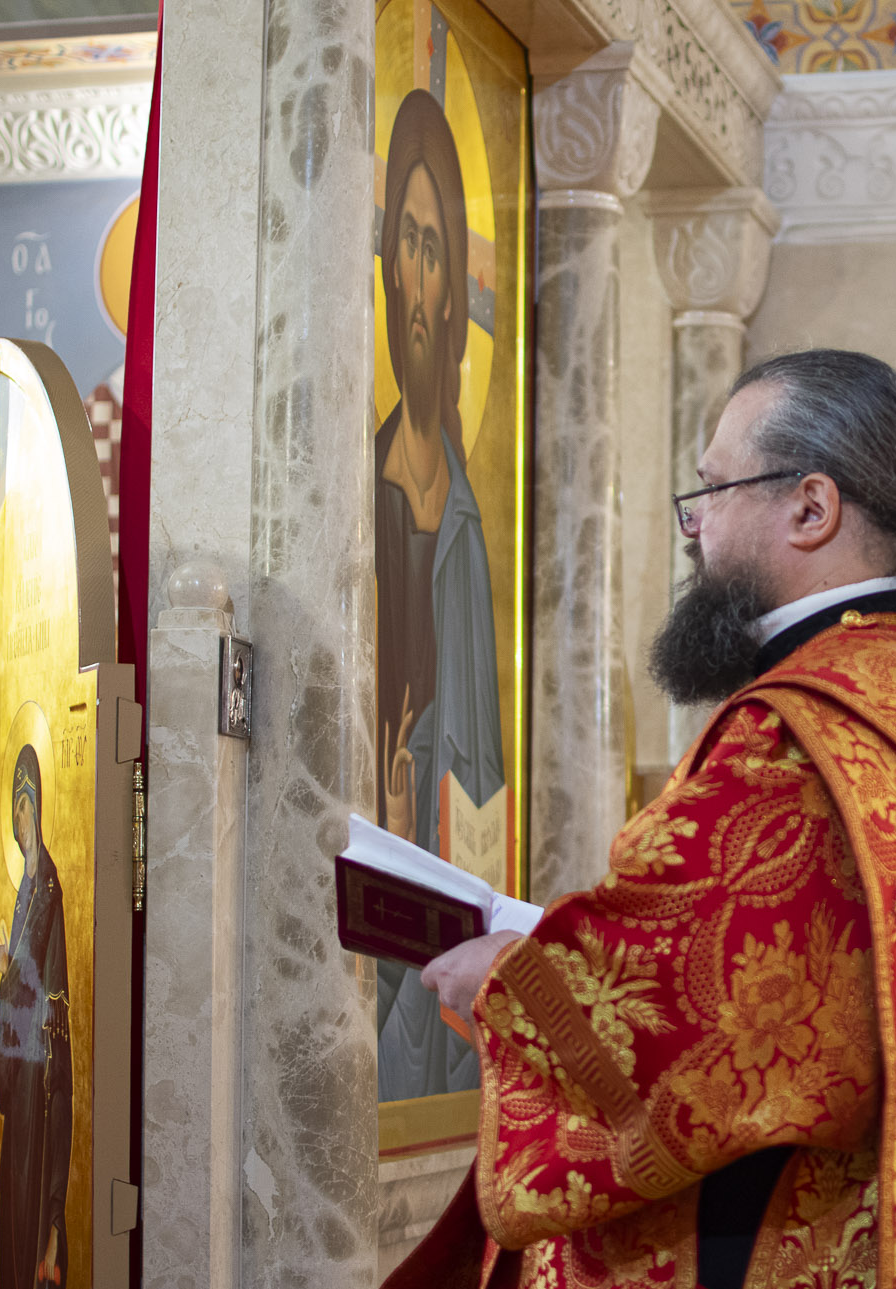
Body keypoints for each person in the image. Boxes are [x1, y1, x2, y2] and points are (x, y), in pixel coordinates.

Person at [366, 350, 896, 1289]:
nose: (694, 525)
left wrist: (507, 978)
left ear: (811, 507)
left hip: (763, 1271)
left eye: (712, 490)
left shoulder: (796, 728)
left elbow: (697, 1015)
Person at [374, 88, 509, 1100]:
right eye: (408, 245)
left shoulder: (466, 514)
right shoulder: (363, 495)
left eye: (437, 250)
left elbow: (483, 763)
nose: (422, 283)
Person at [0, 743, 71, 1289]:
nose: (21, 821)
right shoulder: (26, 884)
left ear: (38, 808)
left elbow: (33, 976)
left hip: (38, 1077)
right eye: (16, 811)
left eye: (27, 809)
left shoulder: (44, 885)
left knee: (33, 1215)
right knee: (11, 1213)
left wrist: (5, 968)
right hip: (17, 1077)